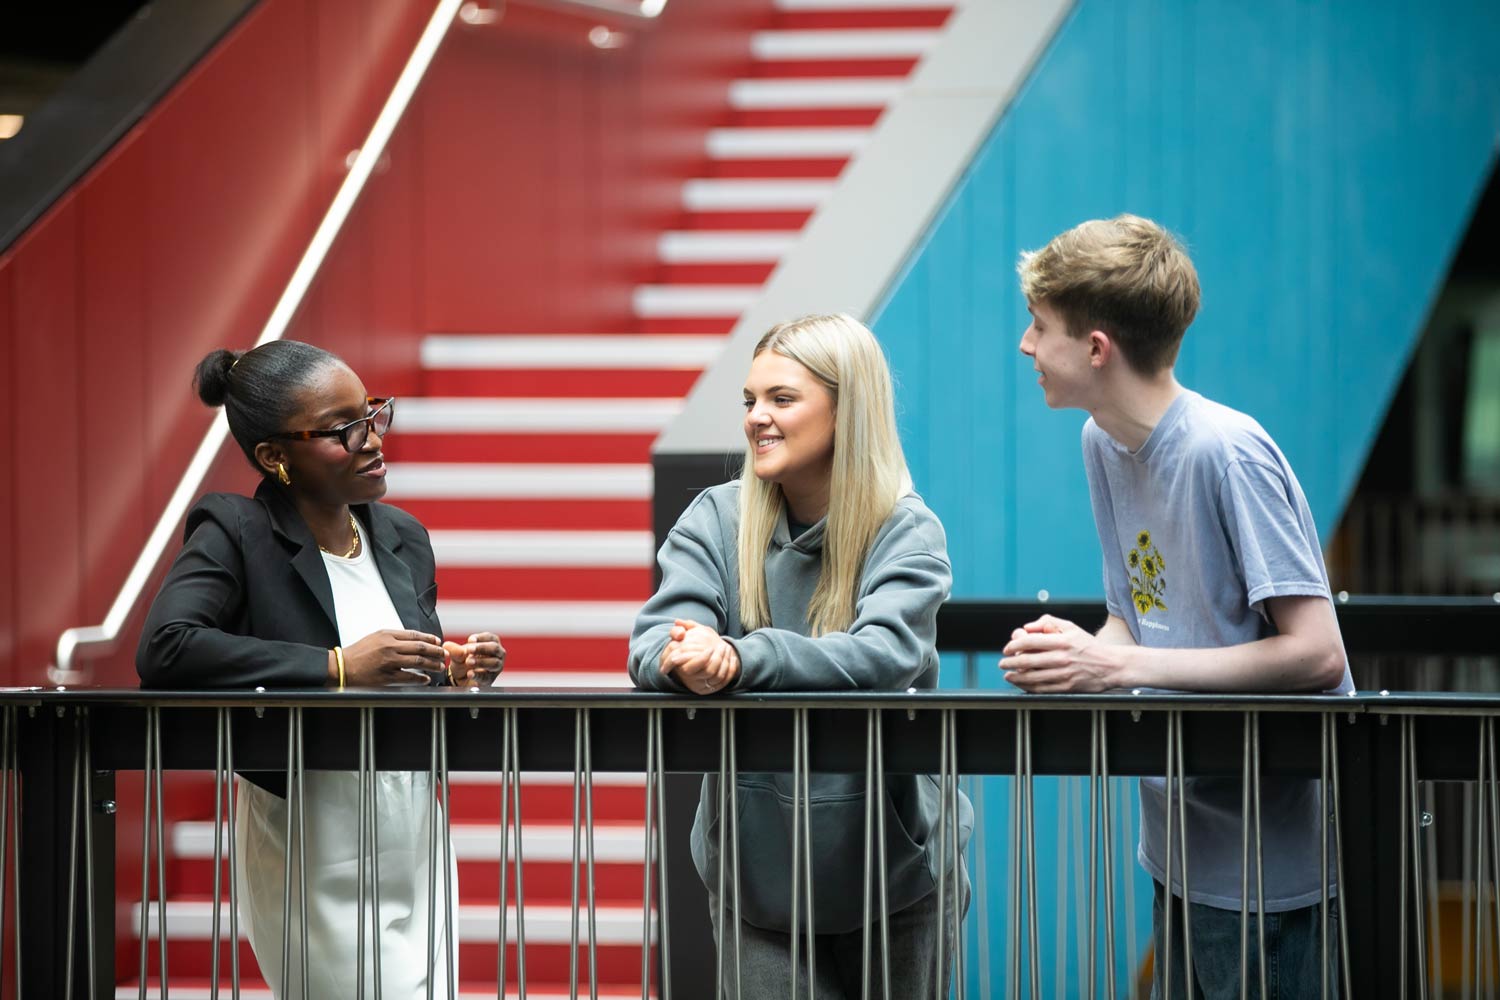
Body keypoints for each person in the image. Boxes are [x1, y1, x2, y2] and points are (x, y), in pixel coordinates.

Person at [1002, 215, 1353, 997]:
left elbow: (1319, 653)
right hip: (1179, 844)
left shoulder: (1228, 451)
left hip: (1274, 863)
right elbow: (1138, 610)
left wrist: (1117, 661)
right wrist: (1081, 657)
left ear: (1097, 348)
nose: (1026, 345)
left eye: (1040, 326)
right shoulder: (1101, 440)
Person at [137, 340, 505, 999]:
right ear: (275, 456)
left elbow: (405, 666)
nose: (372, 439)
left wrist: (454, 669)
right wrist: (336, 666)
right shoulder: (235, 530)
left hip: (415, 821)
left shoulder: (401, 536)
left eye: (373, 413)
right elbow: (166, 646)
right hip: (310, 829)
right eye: (344, 429)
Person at [628, 314, 972, 999]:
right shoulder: (715, 519)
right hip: (756, 880)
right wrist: (686, 660)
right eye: (750, 401)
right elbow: (654, 642)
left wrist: (741, 657)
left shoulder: (906, 529)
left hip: (894, 875)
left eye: (782, 399)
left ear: (848, 411)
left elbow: (884, 654)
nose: (757, 418)